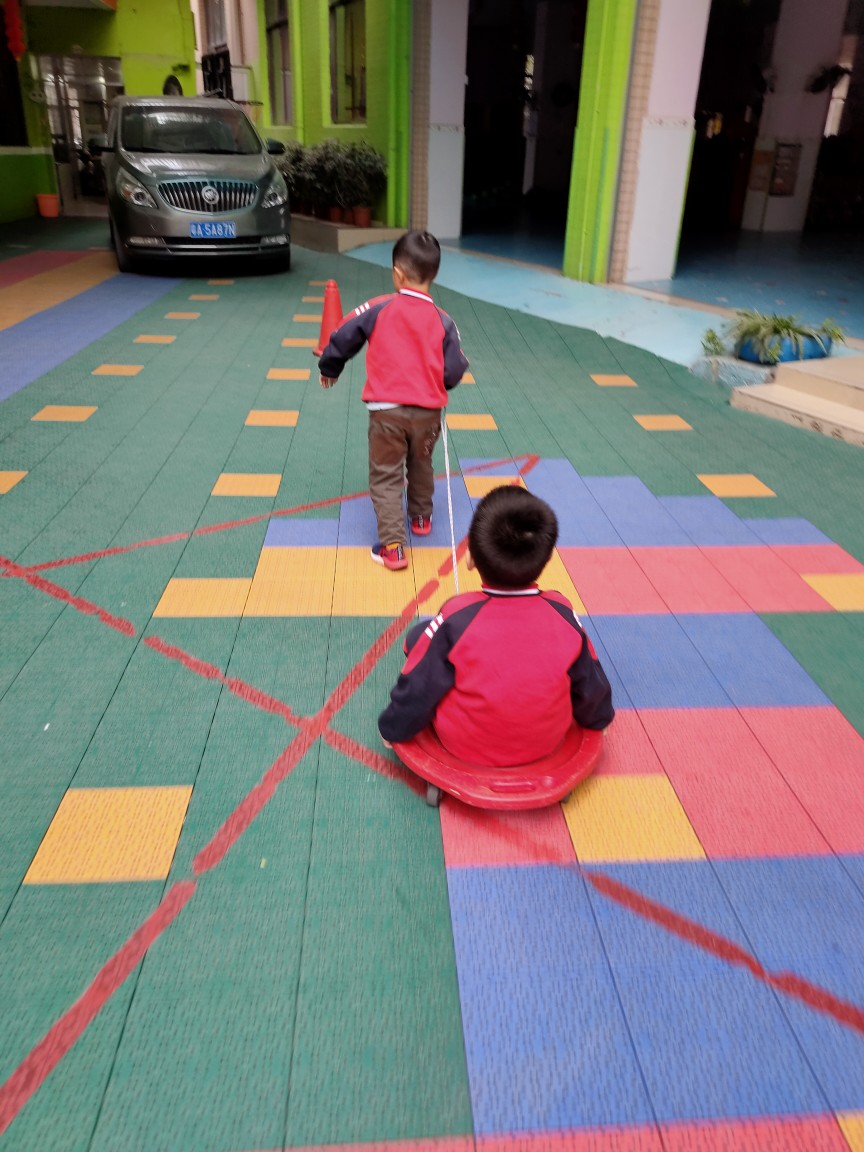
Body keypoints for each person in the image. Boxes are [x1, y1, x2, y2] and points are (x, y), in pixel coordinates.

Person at [378, 486, 614, 767]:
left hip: (464, 744)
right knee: (430, 636)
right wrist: (599, 720)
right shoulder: (562, 611)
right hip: (545, 743)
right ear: (548, 557)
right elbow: (590, 678)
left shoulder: (456, 616)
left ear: (470, 557)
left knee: (420, 637)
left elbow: (420, 686)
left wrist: (392, 729)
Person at [318, 230, 469, 571]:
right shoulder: (444, 320)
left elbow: (343, 335)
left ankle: (393, 547)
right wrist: (437, 383)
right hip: (428, 413)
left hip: (386, 412)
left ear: (398, 274)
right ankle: (421, 518)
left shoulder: (379, 307)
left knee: (386, 476)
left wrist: (330, 367)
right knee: (421, 462)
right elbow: (454, 369)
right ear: (434, 275)